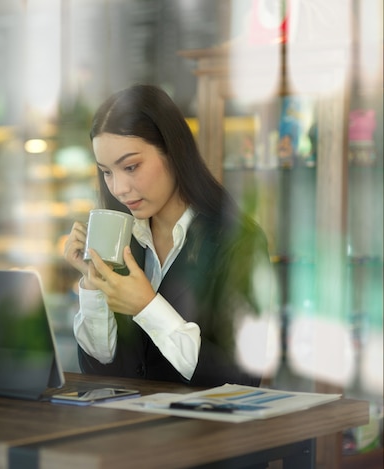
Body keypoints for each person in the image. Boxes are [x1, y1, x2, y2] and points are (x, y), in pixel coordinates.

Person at [63, 84, 278, 388]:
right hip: (125, 430)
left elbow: (241, 377)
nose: (119, 188)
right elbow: (99, 372)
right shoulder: (126, 239)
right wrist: (92, 283)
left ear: (172, 150)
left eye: (131, 166)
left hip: (202, 433)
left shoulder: (237, 241)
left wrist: (147, 307)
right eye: (107, 172)